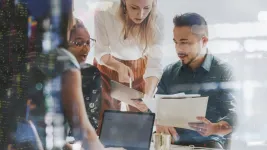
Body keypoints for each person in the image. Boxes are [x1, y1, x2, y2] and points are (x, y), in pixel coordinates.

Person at [6, 0, 105, 149]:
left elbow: (30, 126)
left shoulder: (14, 57)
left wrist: (66, 146)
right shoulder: (62, 61)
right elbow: (84, 132)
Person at [155, 13, 238, 149]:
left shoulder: (223, 71)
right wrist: (160, 122)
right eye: (176, 42)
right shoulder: (169, 72)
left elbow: (234, 115)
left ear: (204, 41)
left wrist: (214, 128)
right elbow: (157, 108)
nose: (178, 49)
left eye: (185, 42)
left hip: (208, 144)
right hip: (173, 144)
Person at [94, 0, 164, 134]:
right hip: (107, 64)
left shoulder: (158, 18)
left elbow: (155, 65)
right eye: (134, 7)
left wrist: (148, 96)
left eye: (146, 8)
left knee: (141, 124)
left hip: (140, 67)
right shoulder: (104, 11)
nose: (141, 14)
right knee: (105, 122)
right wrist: (118, 66)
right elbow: (100, 52)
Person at [67, 18, 101, 134]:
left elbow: (91, 121)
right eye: (78, 43)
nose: (86, 48)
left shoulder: (91, 73)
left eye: (88, 43)